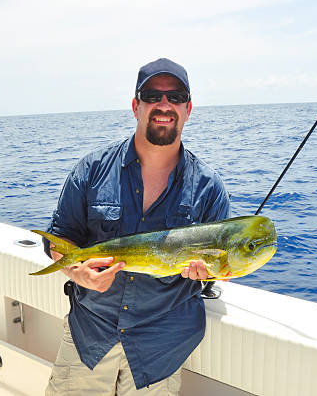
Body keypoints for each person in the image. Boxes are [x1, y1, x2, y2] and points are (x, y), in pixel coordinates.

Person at [45, 58, 230, 395]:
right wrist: (77, 273)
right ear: (136, 106)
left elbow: (218, 265)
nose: (164, 105)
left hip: (161, 347)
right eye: (152, 95)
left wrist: (211, 272)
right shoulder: (91, 169)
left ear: (188, 109)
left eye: (175, 97)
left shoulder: (209, 187)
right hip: (90, 335)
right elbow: (59, 239)